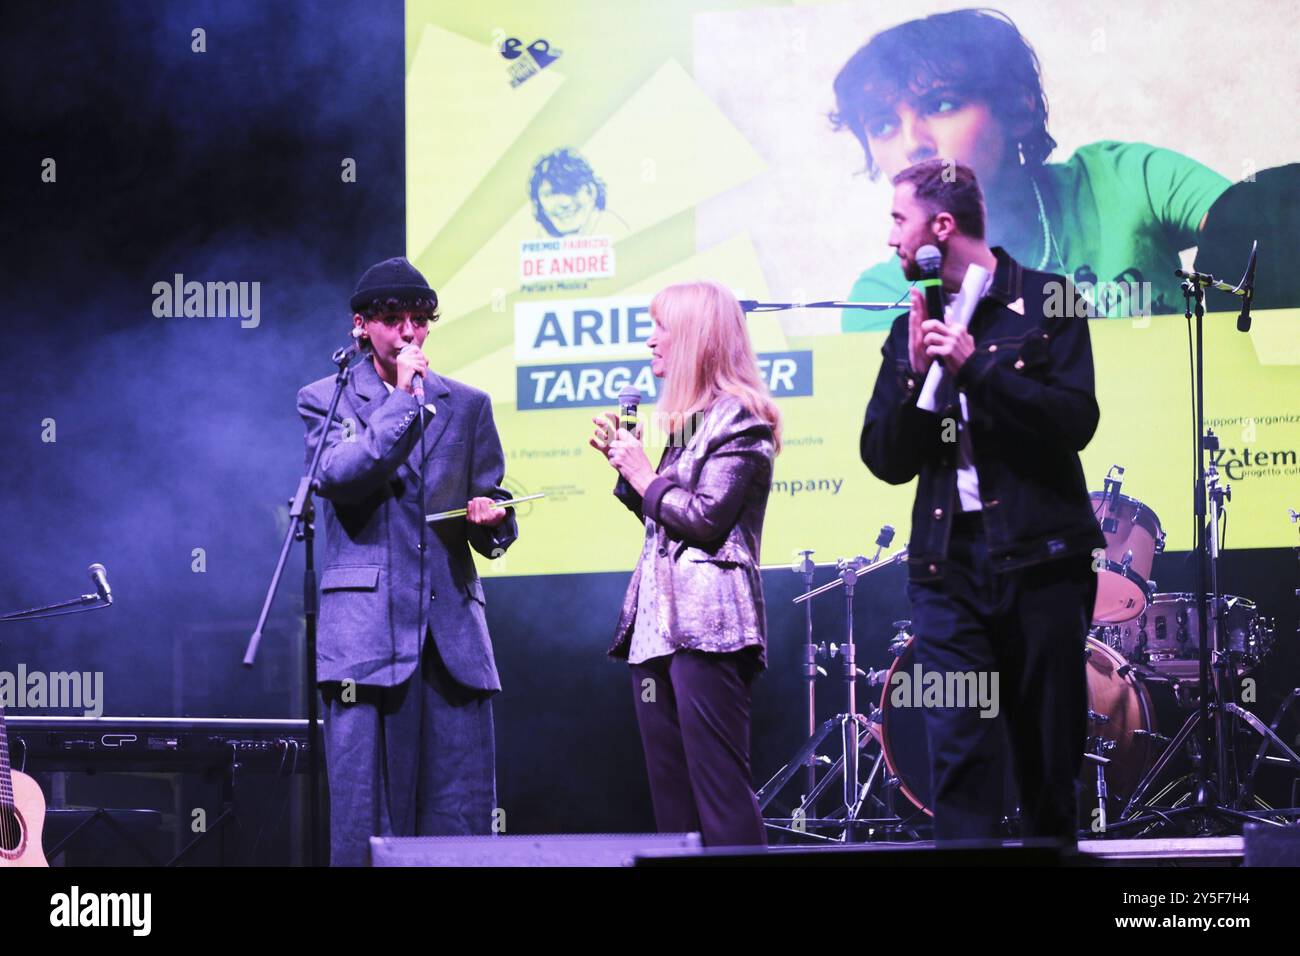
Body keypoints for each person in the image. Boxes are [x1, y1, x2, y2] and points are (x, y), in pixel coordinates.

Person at [860, 160, 1103, 844]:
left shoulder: (1051, 297)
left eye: (898, 220)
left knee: (1047, 767)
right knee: (960, 761)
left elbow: (1074, 420)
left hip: (1042, 563)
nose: (890, 240)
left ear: (941, 227)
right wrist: (915, 377)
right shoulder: (911, 323)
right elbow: (884, 458)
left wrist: (977, 368)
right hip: (947, 573)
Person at [297, 256, 518, 866]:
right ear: (361, 326)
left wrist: (494, 518)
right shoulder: (327, 399)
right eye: (393, 321)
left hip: (451, 642)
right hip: (363, 644)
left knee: (459, 819)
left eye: (419, 321)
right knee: (364, 822)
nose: (409, 334)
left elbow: (494, 497)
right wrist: (401, 400)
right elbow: (343, 476)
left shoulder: (468, 405)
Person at [831, 7, 1230, 328]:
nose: (912, 142)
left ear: (1020, 107)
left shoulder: (1123, 179)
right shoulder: (886, 297)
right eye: (882, 125)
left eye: (941, 105)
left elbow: (1266, 230)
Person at [589, 279, 781, 847]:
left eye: (661, 331)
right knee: (674, 811)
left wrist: (644, 474)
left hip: (708, 627)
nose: (650, 343)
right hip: (655, 630)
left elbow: (704, 521)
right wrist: (629, 476)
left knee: (720, 798)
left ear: (696, 339)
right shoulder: (689, 421)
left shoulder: (740, 420)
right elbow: (666, 524)